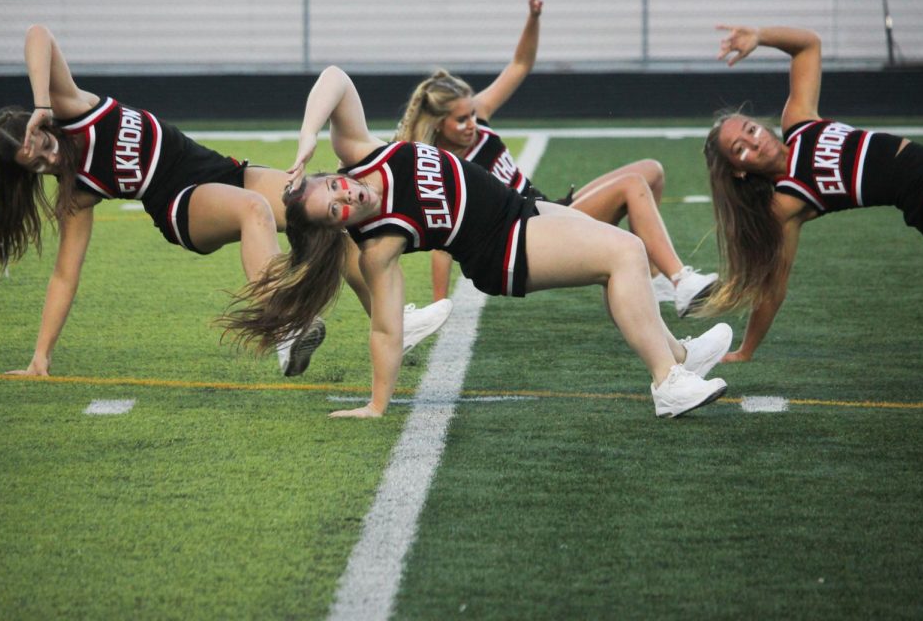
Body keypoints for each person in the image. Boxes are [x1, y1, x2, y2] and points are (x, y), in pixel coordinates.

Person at [221, 64, 735, 419]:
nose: (346, 198)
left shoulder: (361, 151)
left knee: (627, 252)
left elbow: (334, 78)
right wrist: (377, 405)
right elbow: (385, 331)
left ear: (332, 172)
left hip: (522, 209)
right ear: (335, 227)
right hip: (504, 250)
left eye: (334, 187)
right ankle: (667, 382)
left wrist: (307, 134)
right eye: (335, 211)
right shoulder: (379, 244)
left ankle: (679, 358)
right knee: (623, 253)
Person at [0, 24, 452, 378]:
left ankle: (394, 325)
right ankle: (286, 328)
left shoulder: (72, 108)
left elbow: (37, 34)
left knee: (334, 215)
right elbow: (66, 274)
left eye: (42, 145)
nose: (47, 158)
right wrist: (40, 357)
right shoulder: (77, 193)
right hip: (180, 204)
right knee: (256, 211)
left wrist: (42, 102)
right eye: (36, 166)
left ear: (41, 126)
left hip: (217, 168)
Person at [702, 24, 923, 374]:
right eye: (739, 148)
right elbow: (774, 287)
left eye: (750, 129)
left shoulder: (801, 123)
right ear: (739, 172)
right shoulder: (788, 200)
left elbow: (808, 46)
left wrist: (759, 37)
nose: (754, 141)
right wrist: (746, 350)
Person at [394, 0, 717, 316]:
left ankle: (655, 278)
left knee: (650, 171)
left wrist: (533, 18)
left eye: (472, 113)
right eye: (461, 120)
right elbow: (442, 243)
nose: (472, 122)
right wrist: (440, 302)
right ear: (438, 124)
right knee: (632, 185)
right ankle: (681, 281)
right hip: (529, 229)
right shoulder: (444, 165)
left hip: (549, 209)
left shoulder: (479, 118)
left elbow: (520, 65)